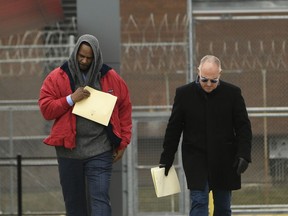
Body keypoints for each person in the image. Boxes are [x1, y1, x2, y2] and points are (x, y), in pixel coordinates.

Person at [38, 34, 132, 216]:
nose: (84, 60)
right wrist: (70, 99)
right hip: (69, 151)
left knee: (100, 200)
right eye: (81, 56)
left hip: (100, 149)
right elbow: (46, 110)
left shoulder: (111, 78)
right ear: (75, 53)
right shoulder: (57, 77)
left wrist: (123, 142)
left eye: (89, 58)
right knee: (74, 205)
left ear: (96, 57)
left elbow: (124, 109)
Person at [159, 55, 252, 216]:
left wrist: (244, 154)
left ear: (220, 74)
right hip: (196, 158)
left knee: (223, 207)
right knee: (199, 202)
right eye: (204, 79)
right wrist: (166, 159)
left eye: (213, 80)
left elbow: (243, 127)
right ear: (198, 72)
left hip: (225, 159)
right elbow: (173, 129)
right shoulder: (184, 94)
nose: (208, 84)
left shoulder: (233, 94)